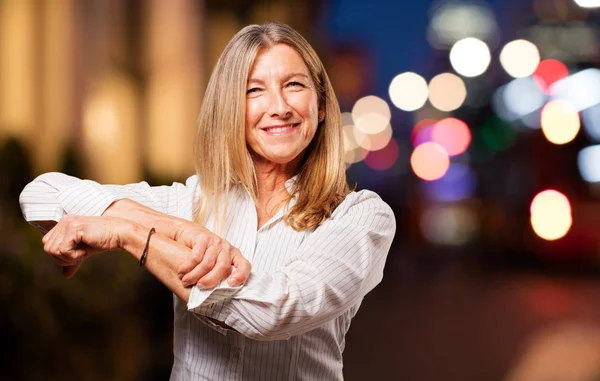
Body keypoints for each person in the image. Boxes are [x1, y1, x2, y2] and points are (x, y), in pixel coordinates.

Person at [19, 22, 396, 381]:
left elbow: (279, 310)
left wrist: (134, 237)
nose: (279, 106)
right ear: (231, 109)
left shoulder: (361, 217)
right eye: (254, 90)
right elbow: (42, 192)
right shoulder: (194, 202)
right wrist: (173, 228)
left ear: (322, 104)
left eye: (294, 85)